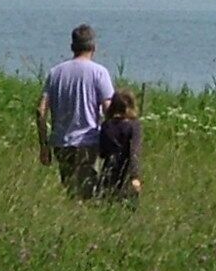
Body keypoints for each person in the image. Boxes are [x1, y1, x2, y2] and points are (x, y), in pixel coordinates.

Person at [35, 24, 114, 197]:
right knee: (87, 192)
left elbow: (41, 110)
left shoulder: (55, 73)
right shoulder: (99, 73)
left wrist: (44, 144)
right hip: (89, 142)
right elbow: (109, 110)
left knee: (69, 188)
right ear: (94, 47)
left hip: (62, 142)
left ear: (72, 47)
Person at [97, 89, 143, 201]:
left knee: (107, 205)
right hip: (126, 173)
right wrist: (135, 176)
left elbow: (102, 153)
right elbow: (134, 152)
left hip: (108, 173)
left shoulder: (106, 125)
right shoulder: (134, 126)